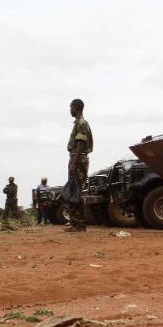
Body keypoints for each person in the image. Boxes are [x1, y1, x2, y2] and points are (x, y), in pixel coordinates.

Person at [66, 98, 93, 232]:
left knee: (76, 191)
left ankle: (80, 224)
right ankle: (75, 223)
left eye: (71, 107)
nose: (70, 110)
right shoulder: (78, 123)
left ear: (75, 108)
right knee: (73, 191)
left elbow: (81, 144)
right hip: (77, 158)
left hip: (78, 158)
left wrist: (74, 163)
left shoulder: (81, 123)